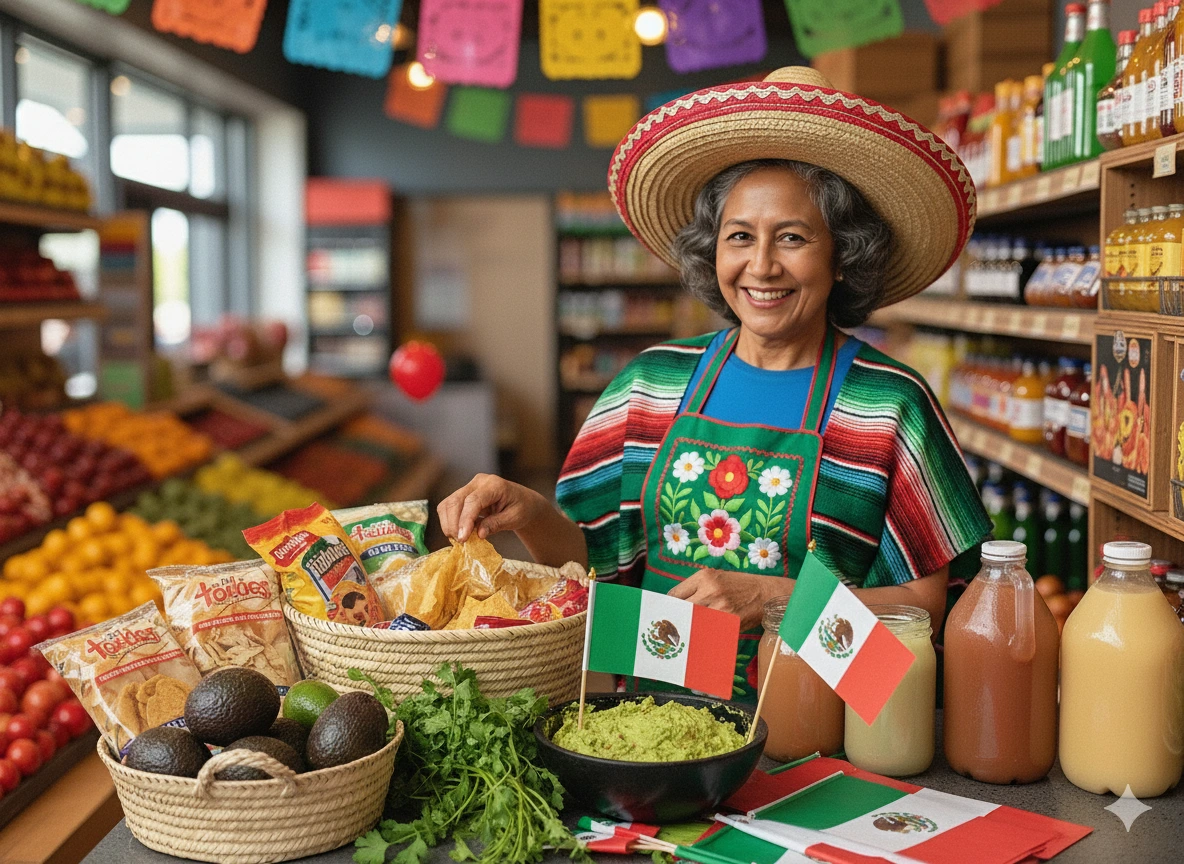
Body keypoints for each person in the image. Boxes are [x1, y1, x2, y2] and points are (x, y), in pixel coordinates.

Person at [438, 67, 992, 701]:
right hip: (653, 714)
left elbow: (924, 614)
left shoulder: (889, 406)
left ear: (842, 257)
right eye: (739, 237)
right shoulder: (651, 385)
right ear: (713, 252)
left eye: (793, 237)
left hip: (818, 724)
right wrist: (530, 513)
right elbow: (593, 570)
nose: (761, 266)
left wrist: (776, 598)